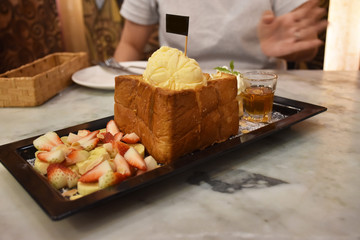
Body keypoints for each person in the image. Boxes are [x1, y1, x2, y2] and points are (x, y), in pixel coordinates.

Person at [113, 0, 327, 71]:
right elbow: (130, 44)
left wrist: (296, 42)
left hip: (256, 91)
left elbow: (309, 47)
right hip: (178, 92)